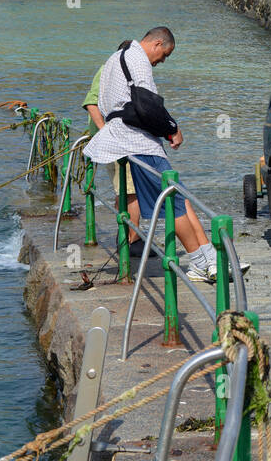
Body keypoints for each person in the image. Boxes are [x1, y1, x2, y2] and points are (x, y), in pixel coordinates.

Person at [83, 27, 219, 280]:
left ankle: (209, 256)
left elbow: (105, 103)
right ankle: (199, 262)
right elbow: (149, 106)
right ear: (157, 43)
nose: (162, 61)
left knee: (177, 197)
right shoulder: (138, 60)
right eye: (165, 54)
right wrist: (173, 129)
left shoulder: (115, 59)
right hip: (139, 142)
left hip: (123, 138)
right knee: (173, 202)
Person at [83, 43, 142, 253]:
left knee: (123, 188)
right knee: (131, 190)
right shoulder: (110, 70)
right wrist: (106, 131)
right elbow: (91, 103)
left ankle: (124, 235)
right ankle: (132, 241)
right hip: (117, 142)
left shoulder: (112, 70)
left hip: (117, 140)